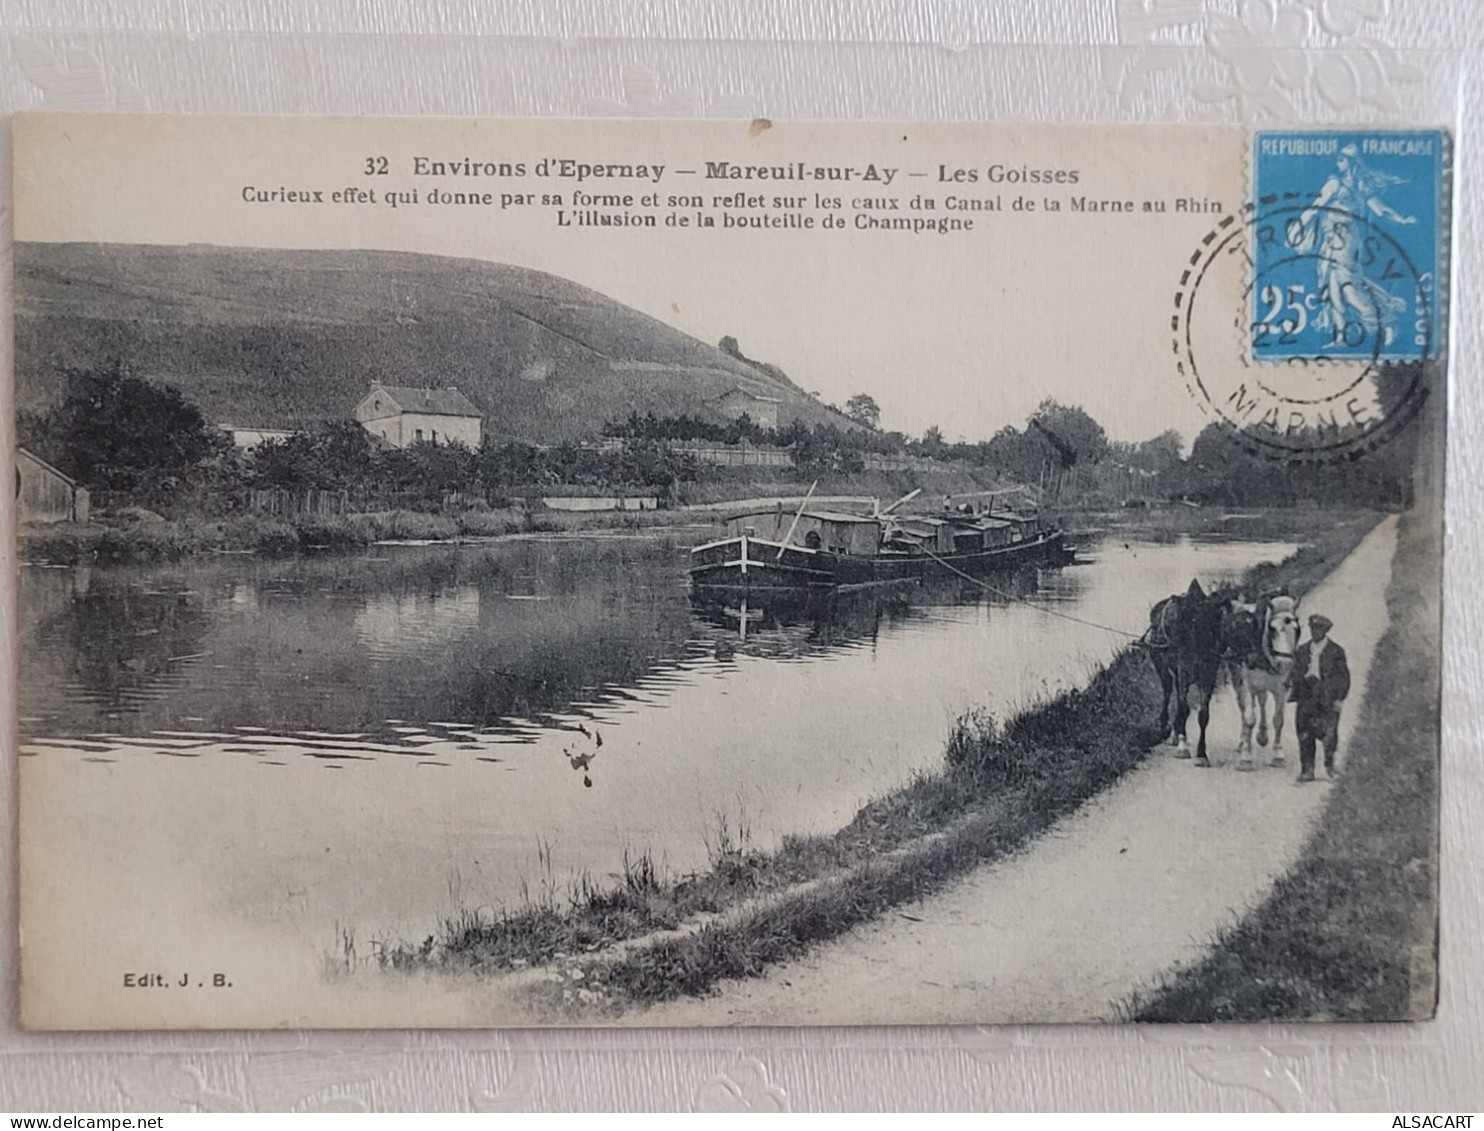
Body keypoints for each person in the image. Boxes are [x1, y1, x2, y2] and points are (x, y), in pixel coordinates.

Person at [1288, 613, 1351, 783]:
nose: (1315, 632)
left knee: (1329, 733)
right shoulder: (1302, 650)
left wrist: (1339, 698)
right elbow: (1295, 671)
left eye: (1319, 629)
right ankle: (1307, 769)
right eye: (1313, 629)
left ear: (1325, 631)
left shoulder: (1336, 651)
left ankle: (1330, 764)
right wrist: (1292, 683)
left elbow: (1343, 676)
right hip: (1306, 694)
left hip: (1327, 696)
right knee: (1304, 732)